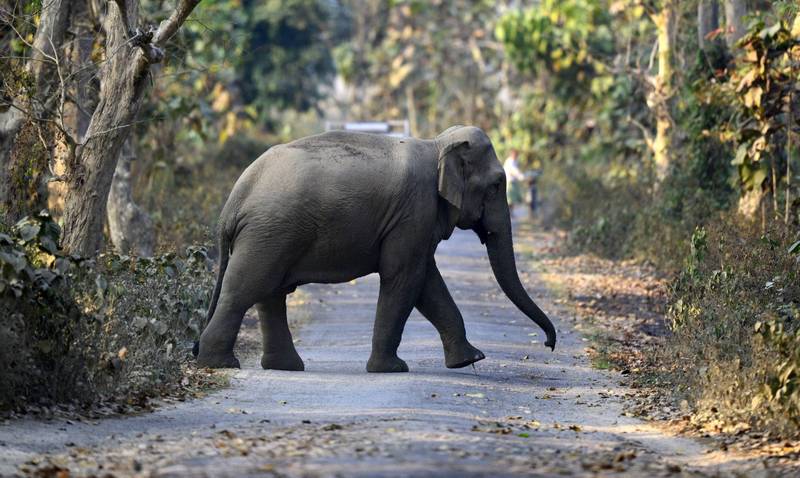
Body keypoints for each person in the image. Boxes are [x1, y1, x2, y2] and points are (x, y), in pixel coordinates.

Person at [503, 149, 525, 213]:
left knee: (514, 199)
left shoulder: (515, 161)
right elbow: (514, 171)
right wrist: (522, 177)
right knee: (510, 199)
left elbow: (517, 171)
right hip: (509, 182)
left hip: (513, 182)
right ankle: (509, 213)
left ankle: (511, 213)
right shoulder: (510, 162)